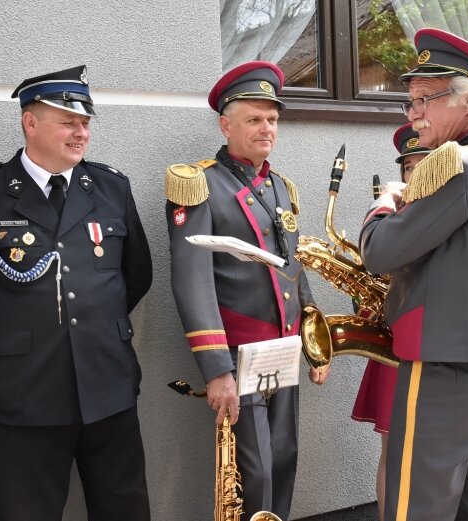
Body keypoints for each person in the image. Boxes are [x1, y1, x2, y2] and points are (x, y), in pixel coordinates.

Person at [0, 66, 153, 521]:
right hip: (28, 393)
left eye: (86, 122)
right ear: (30, 123)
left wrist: (91, 333)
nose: (81, 132)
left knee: (125, 510)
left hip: (108, 385)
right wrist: (13, 341)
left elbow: (136, 277)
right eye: (68, 122)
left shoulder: (111, 187)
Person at [359, 28, 468, 521]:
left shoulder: (457, 163)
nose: (413, 112)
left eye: (424, 99)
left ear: (466, 102)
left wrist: (382, 205)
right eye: (410, 101)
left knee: (413, 510)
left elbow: (379, 252)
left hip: (441, 371)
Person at [165, 61, 327, 520]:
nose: (266, 128)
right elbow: (191, 280)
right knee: (251, 470)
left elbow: (295, 268)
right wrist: (215, 368)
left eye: (272, 119)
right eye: (254, 119)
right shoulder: (198, 184)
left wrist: (316, 344)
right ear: (225, 124)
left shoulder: (281, 187)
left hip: (283, 349)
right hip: (238, 353)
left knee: (282, 458)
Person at [350, 123, 429, 521]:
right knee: (394, 450)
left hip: (442, 344)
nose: (414, 174)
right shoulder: (389, 217)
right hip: (397, 345)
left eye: (424, 164)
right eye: (409, 167)